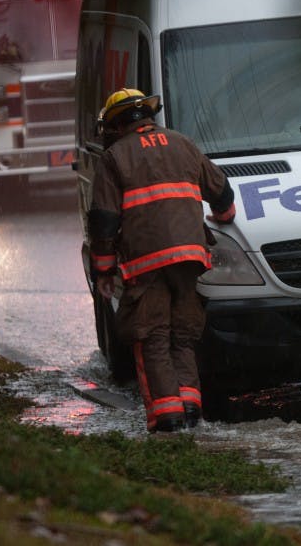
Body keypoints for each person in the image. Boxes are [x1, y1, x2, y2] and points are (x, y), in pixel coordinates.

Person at [87, 88, 236, 432]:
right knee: (183, 336)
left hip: (145, 263)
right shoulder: (183, 142)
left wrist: (104, 271)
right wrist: (224, 215)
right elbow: (222, 196)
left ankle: (168, 422)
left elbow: (104, 222)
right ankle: (191, 414)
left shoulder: (114, 158)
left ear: (115, 124)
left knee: (152, 337)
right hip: (190, 256)